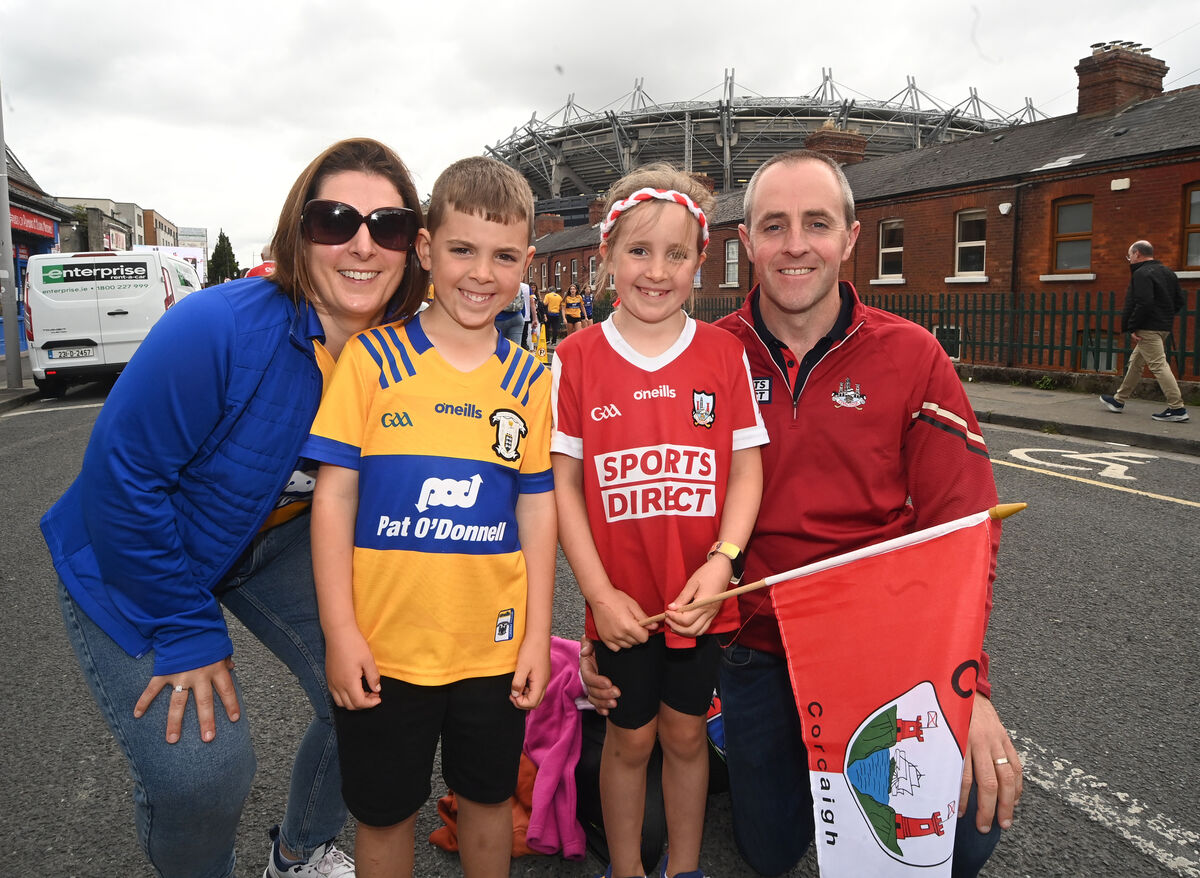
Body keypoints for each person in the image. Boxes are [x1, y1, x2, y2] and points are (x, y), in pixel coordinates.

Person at [582, 149, 1023, 878]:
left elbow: (966, 533)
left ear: (849, 237)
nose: (794, 245)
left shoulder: (912, 355)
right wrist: (599, 631)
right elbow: (634, 502)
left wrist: (968, 686)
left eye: (816, 224)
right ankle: (721, 727)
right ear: (746, 242)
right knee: (770, 849)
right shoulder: (706, 354)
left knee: (953, 842)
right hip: (753, 649)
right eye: (773, 226)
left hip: (883, 649)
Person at [42, 137, 430, 878]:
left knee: (380, 697)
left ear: (411, 245)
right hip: (133, 545)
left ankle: (298, 852)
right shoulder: (216, 327)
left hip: (273, 540)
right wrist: (187, 629)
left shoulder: (408, 350)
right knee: (203, 774)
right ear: (298, 231)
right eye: (334, 220)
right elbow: (120, 480)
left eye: (386, 226)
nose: (361, 244)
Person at [305, 155, 556, 878]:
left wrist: (537, 634)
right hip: (386, 649)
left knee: (484, 802)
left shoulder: (532, 378)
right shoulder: (372, 362)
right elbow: (334, 497)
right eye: (462, 250)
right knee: (384, 814)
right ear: (424, 249)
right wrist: (341, 631)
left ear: (527, 262)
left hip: (494, 650)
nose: (482, 273)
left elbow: (537, 511)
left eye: (504, 256)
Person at [553, 164, 766, 878]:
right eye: (639, 251)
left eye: (677, 254)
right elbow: (565, 489)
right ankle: (626, 869)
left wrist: (724, 560)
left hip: (700, 600)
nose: (657, 270)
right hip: (620, 606)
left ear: (701, 263)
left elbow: (745, 471)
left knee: (684, 735)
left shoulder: (724, 355)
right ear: (607, 255)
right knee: (629, 739)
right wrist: (599, 595)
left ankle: (681, 867)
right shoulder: (574, 359)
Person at [1100, 240, 1188, 422]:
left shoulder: (1142, 273)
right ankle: (1118, 400)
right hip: (1162, 327)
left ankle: (1177, 408)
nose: (1129, 259)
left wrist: (1133, 326)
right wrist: (1164, 316)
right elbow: (1179, 301)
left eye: (1129, 256)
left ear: (1137, 254)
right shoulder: (1168, 272)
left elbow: (1144, 302)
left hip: (1147, 328)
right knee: (1136, 362)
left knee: (1158, 365)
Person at [495, 277, 530, 348]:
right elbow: (522, 302)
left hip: (498, 318)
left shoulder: (494, 282)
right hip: (517, 317)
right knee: (515, 349)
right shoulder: (516, 282)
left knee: (496, 349)